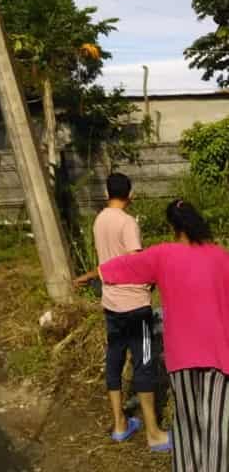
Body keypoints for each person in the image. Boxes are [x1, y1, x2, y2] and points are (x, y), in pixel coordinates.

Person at [93, 199, 229, 472]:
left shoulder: (163, 254)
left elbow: (123, 267)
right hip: (218, 352)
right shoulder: (220, 257)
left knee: (189, 420)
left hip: (183, 355)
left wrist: (90, 275)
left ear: (172, 226)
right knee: (217, 423)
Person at [75, 173, 170, 451]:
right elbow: (135, 262)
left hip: (111, 304)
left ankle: (119, 424)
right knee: (144, 361)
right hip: (134, 304)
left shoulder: (100, 219)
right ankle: (153, 432)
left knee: (114, 358)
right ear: (130, 194)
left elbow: (106, 262)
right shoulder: (127, 223)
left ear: (107, 192)